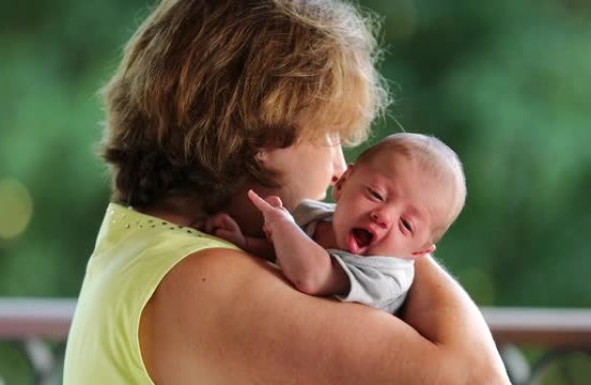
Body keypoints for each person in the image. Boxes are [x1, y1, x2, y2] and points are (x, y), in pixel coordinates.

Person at [63, 1, 510, 384]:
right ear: (269, 138)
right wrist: (400, 218)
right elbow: (477, 378)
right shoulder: (203, 280)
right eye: (331, 133)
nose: (340, 167)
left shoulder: (142, 247)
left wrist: (382, 205)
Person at [206, 133, 466, 314]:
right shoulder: (313, 215)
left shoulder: (388, 275)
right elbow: (280, 253)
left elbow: (312, 276)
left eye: (406, 225)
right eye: (376, 195)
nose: (383, 216)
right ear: (342, 184)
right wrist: (245, 243)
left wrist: (282, 223)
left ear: (418, 252)